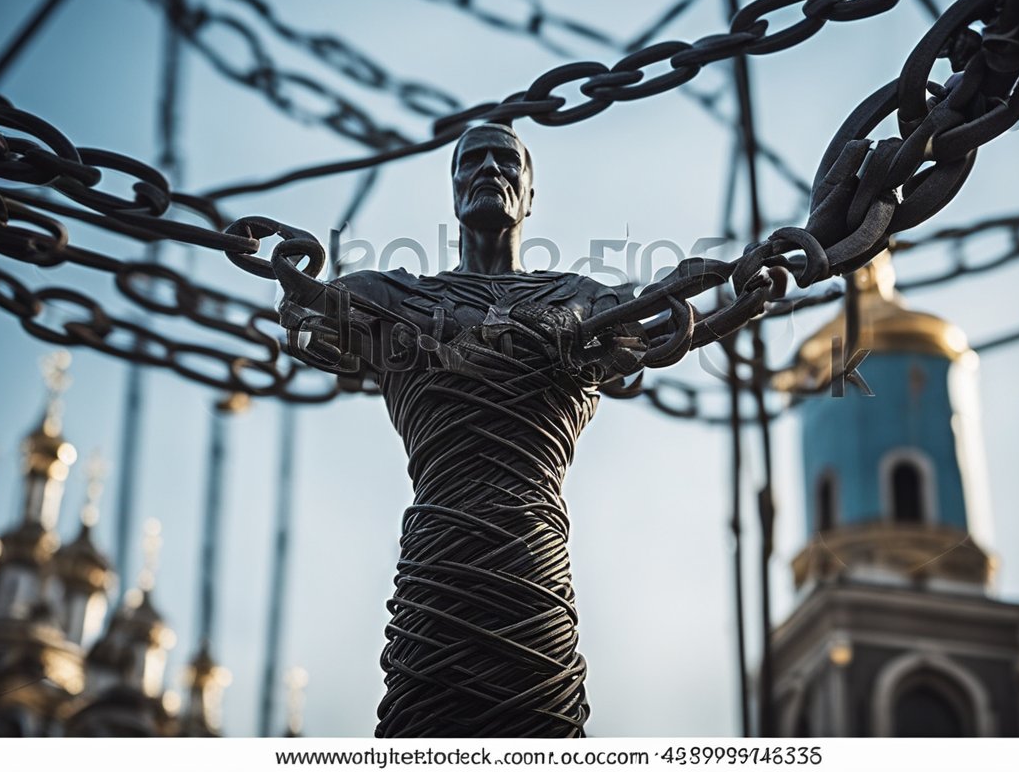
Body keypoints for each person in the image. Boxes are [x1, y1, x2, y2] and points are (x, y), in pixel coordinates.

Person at [274, 123, 785, 737]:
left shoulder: (583, 302)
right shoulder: (394, 297)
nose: (489, 168)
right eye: (472, 160)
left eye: (505, 159)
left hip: (531, 575)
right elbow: (306, 318)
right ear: (454, 186)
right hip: (439, 574)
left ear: (530, 192)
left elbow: (669, 314)